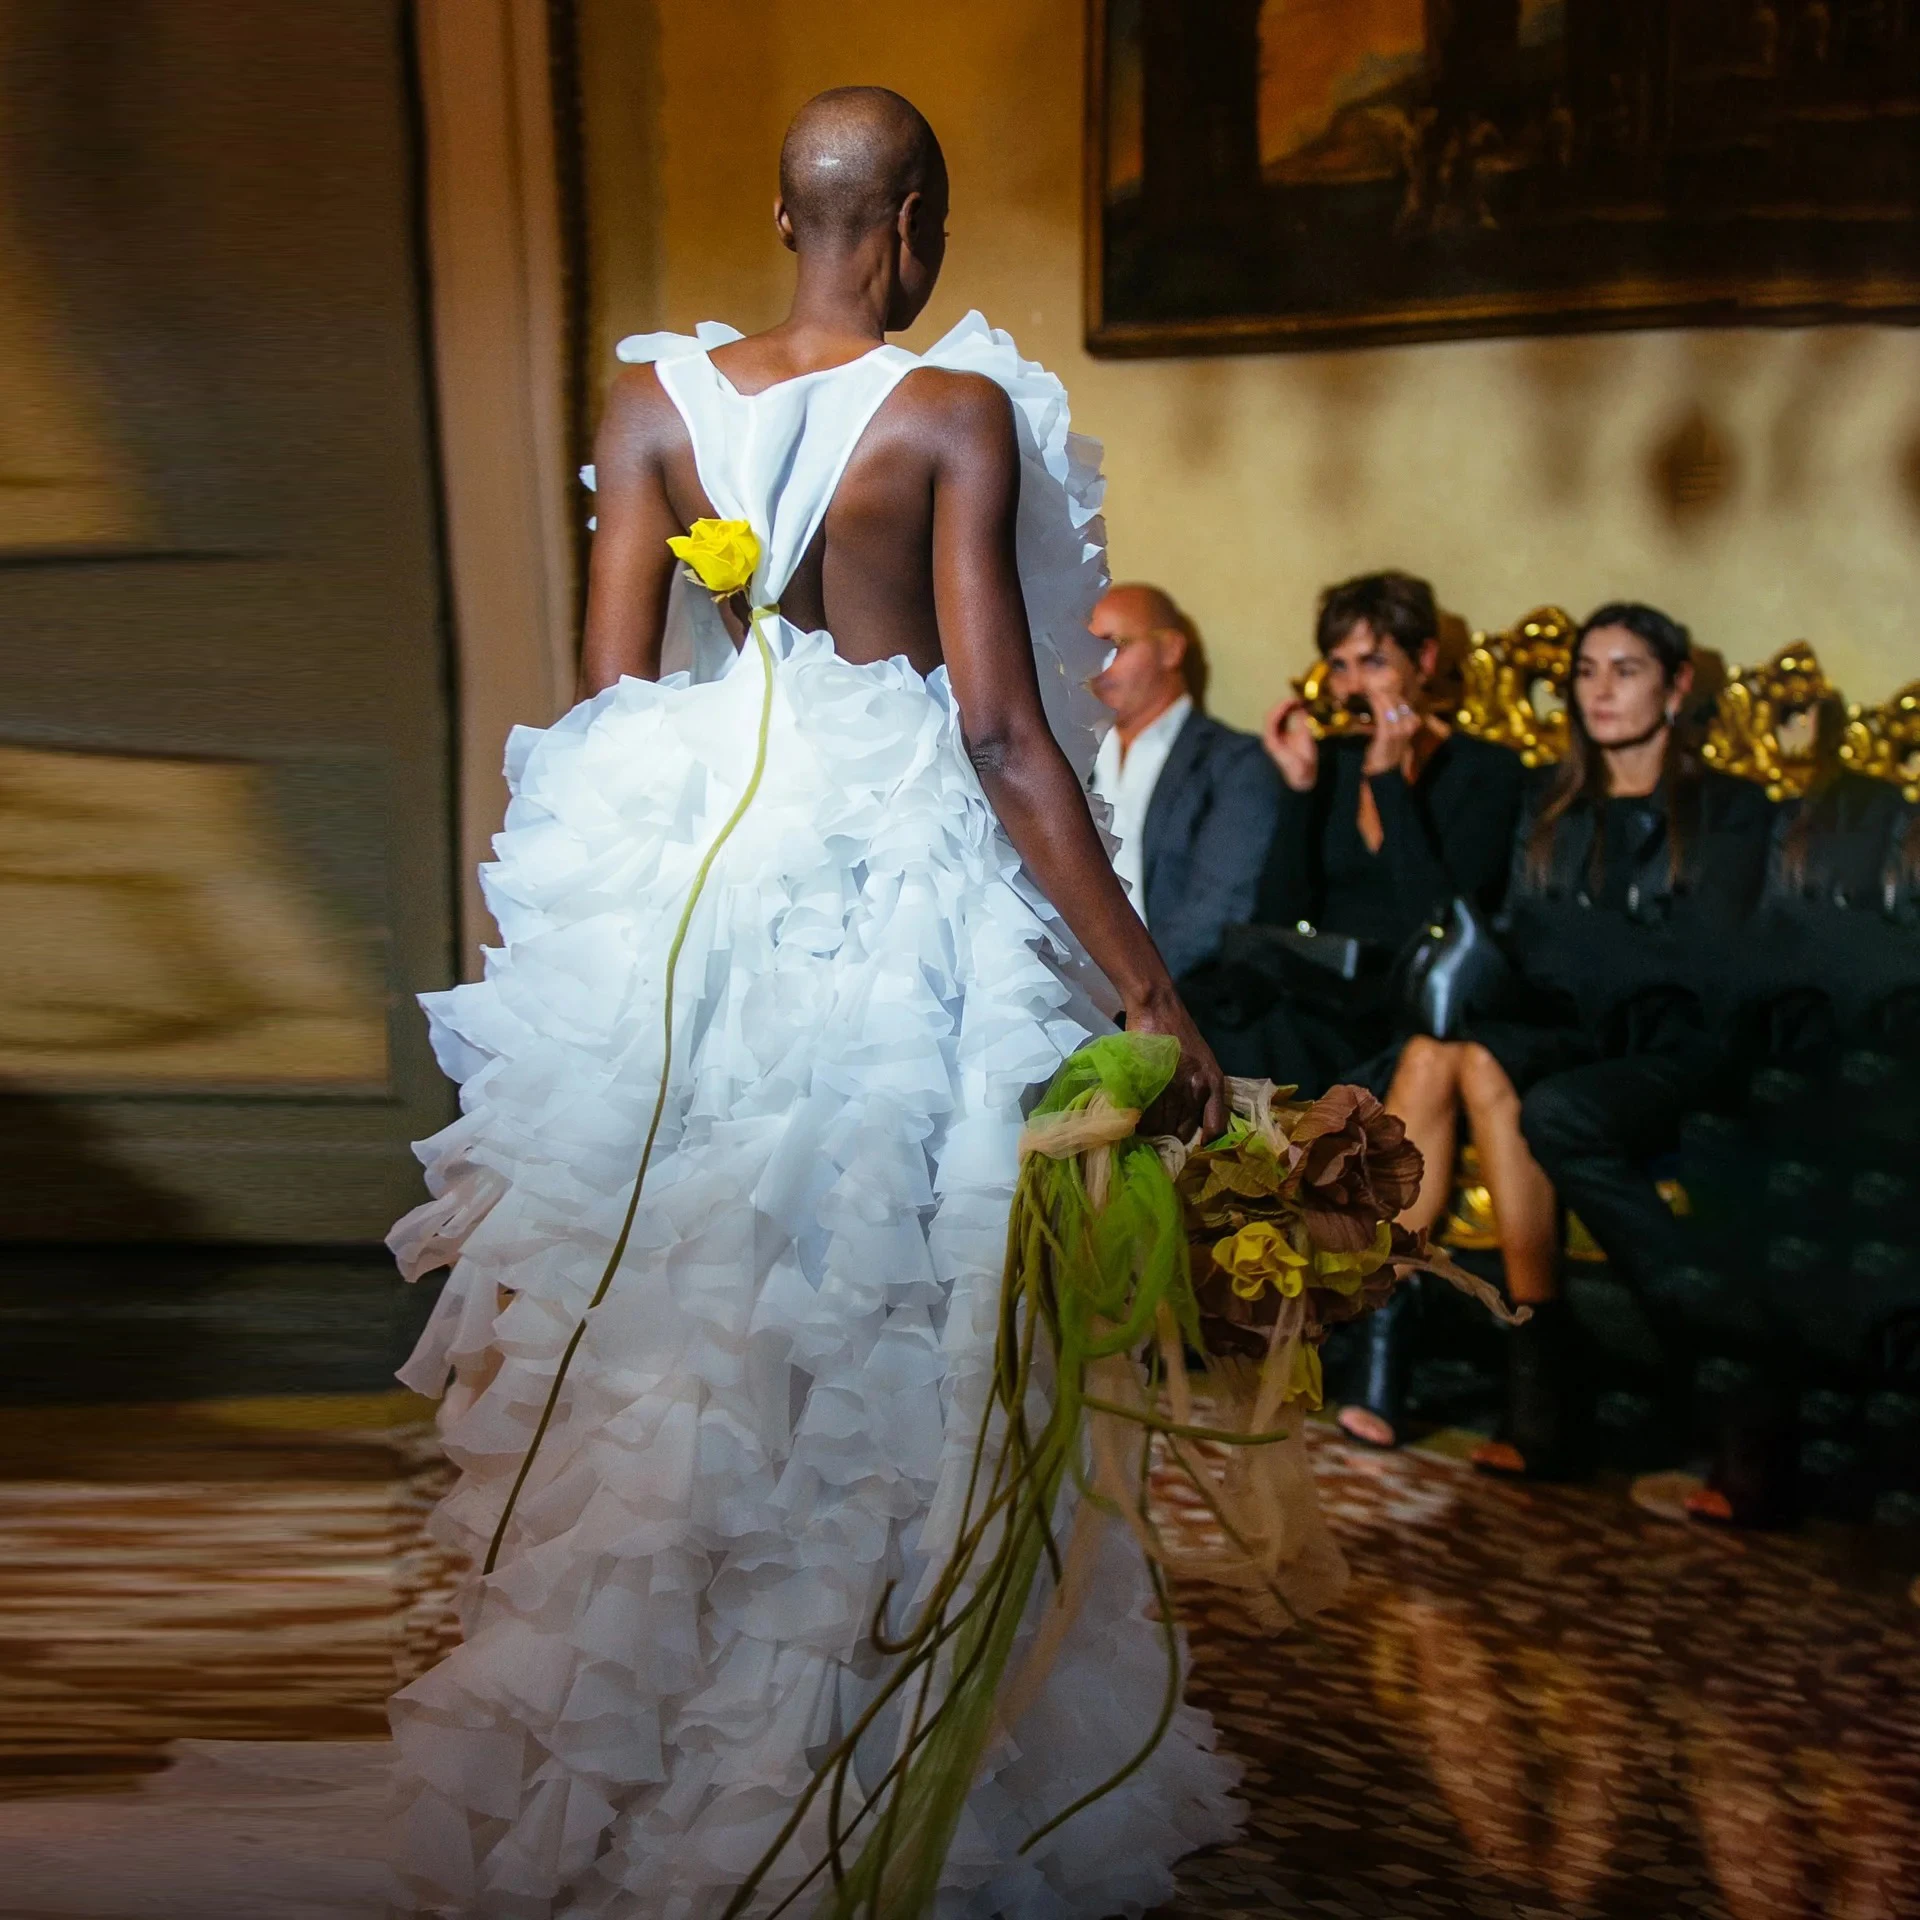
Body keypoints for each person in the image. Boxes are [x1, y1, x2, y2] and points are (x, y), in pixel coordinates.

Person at [383, 87, 1242, 1919]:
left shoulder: (646, 402)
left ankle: (641, 1780)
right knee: (887, 1337)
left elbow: (608, 701)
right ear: (914, 220)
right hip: (891, 892)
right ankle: (861, 1777)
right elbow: (1004, 732)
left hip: (690, 886)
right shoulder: (949, 410)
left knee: (685, 1343)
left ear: (791, 219)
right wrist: (1147, 988)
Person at [1374, 604, 1774, 1474]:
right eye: (1586, 671)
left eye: (1624, 670)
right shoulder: (1552, 806)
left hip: (1676, 1042)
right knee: (1457, 1053)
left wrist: (1575, 956)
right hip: (1576, 1029)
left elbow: (1704, 961)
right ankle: (1535, 1362)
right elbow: (1517, 939)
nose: (1599, 690)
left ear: (1674, 688)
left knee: (1532, 1092)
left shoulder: (1730, 810)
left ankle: (1577, 1379)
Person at [1186, 569, 1523, 1099]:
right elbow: (1279, 914)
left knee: (1259, 1036)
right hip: (1314, 988)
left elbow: (1439, 924)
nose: (1351, 687)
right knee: (1200, 1010)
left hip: (1399, 1004)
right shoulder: (1332, 762)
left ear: (1425, 660)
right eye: (1339, 666)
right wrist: (1300, 791)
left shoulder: (1487, 772)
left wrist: (1389, 782)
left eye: (1374, 662)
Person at [1087, 582, 1279, 984]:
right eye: (1086, 650)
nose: (1096, 668)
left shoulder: (1233, 764)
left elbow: (1215, 911)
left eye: (1114, 646)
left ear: (1171, 650)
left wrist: (1131, 994)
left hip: (1174, 999)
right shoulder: (1071, 758)